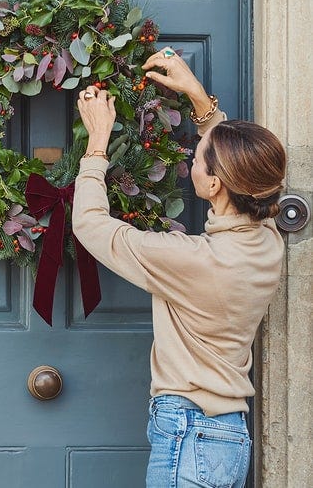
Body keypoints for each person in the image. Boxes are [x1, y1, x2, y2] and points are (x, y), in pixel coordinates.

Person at [72, 47, 286, 488]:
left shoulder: (192, 260)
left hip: (190, 434)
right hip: (225, 435)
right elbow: (240, 167)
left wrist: (97, 141)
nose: (191, 158)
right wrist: (199, 99)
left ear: (213, 183)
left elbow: (91, 226)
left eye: (198, 156)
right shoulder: (268, 242)